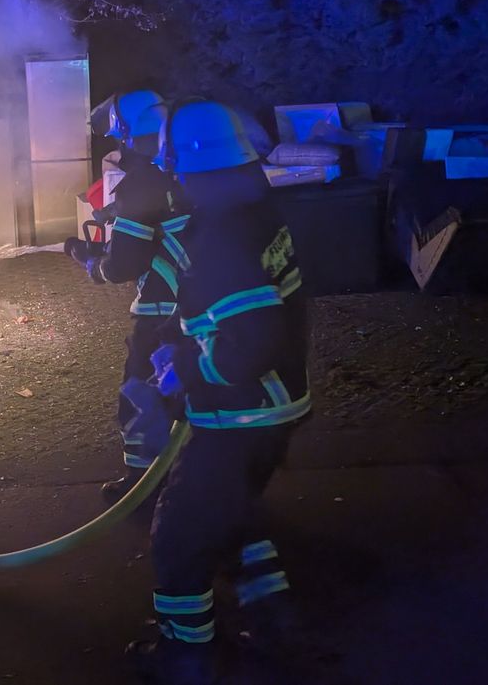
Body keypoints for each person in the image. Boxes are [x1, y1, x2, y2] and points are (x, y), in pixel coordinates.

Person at [126, 100, 312, 684]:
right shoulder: (257, 214)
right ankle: (275, 621)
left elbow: (249, 341)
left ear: (189, 168)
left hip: (239, 416)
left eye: (177, 170)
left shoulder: (221, 239)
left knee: (179, 538)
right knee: (232, 515)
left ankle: (186, 660)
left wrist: (185, 364)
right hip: (277, 410)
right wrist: (178, 336)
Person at [65, 90, 192, 497]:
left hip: (161, 308)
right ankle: (190, 474)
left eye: (120, 139)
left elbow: (123, 264)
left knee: (141, 390)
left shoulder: (143, 183)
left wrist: (92, 263)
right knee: (191, 392)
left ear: (130, 136)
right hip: (203, 301)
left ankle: (142, 486)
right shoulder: (188, 166)